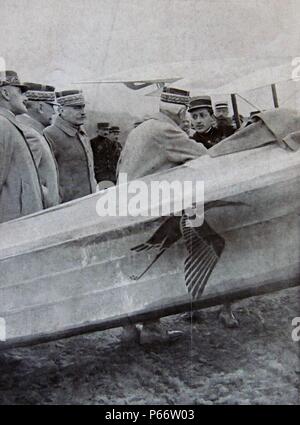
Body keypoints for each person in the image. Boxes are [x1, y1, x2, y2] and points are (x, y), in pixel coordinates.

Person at [117, 87, 208, 345]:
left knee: (135, 268)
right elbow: (204, 156)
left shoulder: (142, 129)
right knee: (154, 266)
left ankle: (128, 328)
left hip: (128, 208)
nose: (187, 121)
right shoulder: (166, 131)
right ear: (180, 111)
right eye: (186, 115)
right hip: (149, 211)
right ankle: (153, 330)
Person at [0, 70, 43, 223]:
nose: (26, 98)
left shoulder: (9, 123)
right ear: (5, 92)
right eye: (20, 91)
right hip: (13, 226)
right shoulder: (2, 125)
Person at [44, 90, 97, 202]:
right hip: (67, 205)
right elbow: (44, 177)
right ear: (61, 109)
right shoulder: (50, 134)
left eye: (83, 107)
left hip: (89, 200)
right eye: (76, 108)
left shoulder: (82, 132)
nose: (83, 112)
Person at [17, 83, 60, 208]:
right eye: (51, 106)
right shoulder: (29, 134)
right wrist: (50, 203)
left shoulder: (34, 131)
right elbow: (26, 182)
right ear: (41, 107)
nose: (54, 111)